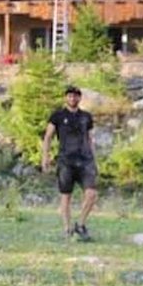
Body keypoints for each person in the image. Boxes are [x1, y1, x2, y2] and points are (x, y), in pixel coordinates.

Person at [42, 85, 98, 242]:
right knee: (66, 197)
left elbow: (91, 139)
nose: (72, 99)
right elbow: (48, 137)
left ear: (80, 98)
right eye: (69, 96)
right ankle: (67, 229)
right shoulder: (57, 116)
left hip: (85, 161)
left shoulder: (86, 117)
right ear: (66, 98)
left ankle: (80, 225)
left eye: (75, 96)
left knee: (92, 194)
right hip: (66, 161)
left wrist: (95, 160)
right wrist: (45, 158)